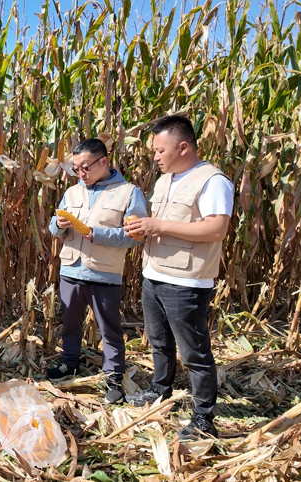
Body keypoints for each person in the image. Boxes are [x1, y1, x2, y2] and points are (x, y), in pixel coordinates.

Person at [125, 115, 233, 440]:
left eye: (160, 150)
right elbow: (162, 223)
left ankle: (203, 418)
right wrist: (143, 228)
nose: (155, 157)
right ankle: (160, 390)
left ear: (183, 147)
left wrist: (157, 225)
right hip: (154, 274)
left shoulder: (212, 181)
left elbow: (216, 229)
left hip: (187, 281)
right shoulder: (165, 181)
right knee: (159, 342)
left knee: (194, 353)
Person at [47, 139, 148, 404]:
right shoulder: (72, 192)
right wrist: (58, 224)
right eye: (76, 168)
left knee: (109, 329)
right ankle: (69, 361)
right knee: (70, 323)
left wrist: (98, 234)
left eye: (85, 167)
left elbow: (135, 237)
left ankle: (113, 376)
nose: (80, 173)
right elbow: (54, 229)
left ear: (103, 161)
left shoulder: (128, 192)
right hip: (71, 269)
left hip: (104, 273)